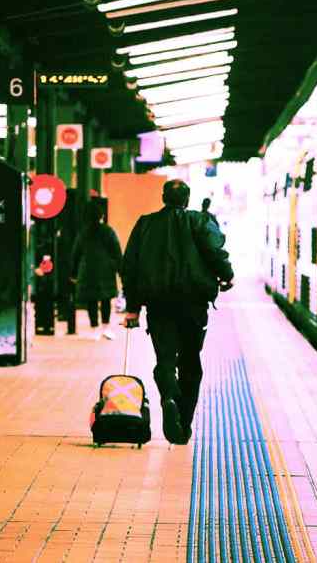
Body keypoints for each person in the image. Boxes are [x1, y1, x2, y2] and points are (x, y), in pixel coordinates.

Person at [121, 180, 234, 445]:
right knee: (191, 362)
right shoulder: (199, 221)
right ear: (187, 199)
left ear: (163, 197)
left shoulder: (145, 224)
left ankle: (169, 395)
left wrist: (133, 309)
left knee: (165, 359)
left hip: (158, 304)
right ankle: (183, 423)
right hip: (193, 304)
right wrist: (226, 276)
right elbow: (214, 251)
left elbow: (131, 267)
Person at [71, 203, 123, 341]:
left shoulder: (83, 232)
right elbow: (117, 252)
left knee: (91, 300)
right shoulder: (108, 231)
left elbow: (75, 254)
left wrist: (73, 273)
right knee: (105, 299)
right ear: (102, 216)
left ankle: (94, 328)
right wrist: (120, 270)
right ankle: (105, 328)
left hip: (87, 269)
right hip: (106, 269)